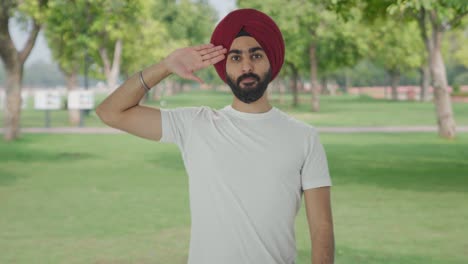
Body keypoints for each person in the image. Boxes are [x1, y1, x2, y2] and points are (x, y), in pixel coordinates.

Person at [96, 8, 334, 264]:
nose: (246, 66)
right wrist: (165, 67)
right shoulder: (195, 125)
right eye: (235, 58)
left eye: (256, 55)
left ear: (271, 61)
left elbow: (322, 229)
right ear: (224, 67)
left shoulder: (304, 137)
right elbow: (110, 112)